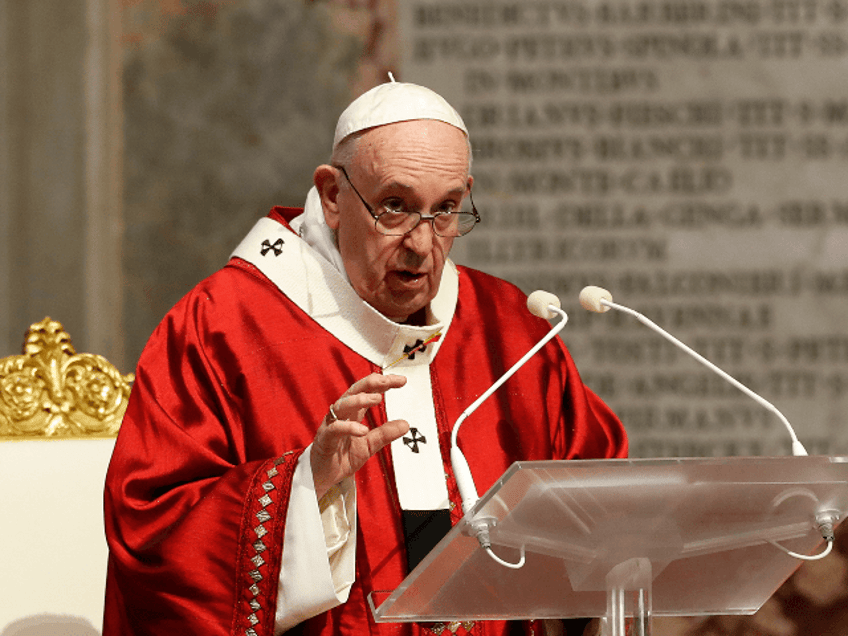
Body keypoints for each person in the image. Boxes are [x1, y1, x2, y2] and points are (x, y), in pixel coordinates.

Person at [103, 78, 627, 636]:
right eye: (395, 207)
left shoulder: (510, 329)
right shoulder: (223, 326)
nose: (423, 245)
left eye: (446, 210)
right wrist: (307, 485)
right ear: (332, 196)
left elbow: (600, 510)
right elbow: (152, 530)